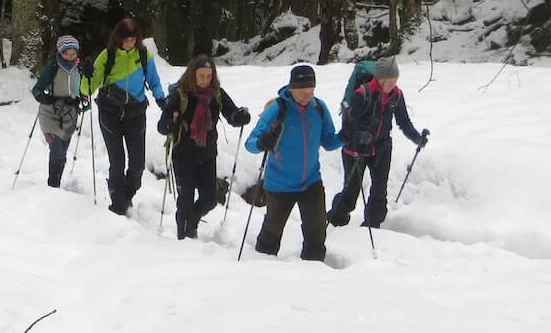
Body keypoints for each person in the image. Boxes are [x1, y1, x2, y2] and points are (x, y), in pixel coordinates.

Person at [243, 64, 341, 261]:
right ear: (292, 88)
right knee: (272, 232)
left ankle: (314, 270)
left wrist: (346, 136)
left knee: (317, 232)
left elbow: (329, 141)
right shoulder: (277, 110)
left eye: (311, 92)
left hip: (311, 182)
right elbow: (250, 144)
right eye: (303, 92)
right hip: (279, 184)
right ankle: (260, 267)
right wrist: (262, 142)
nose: (307, 96)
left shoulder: (319, 108)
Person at [157, 55, 251, 239]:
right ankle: (183, 236)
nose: (205, 80)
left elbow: (231, 114)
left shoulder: (216, 94)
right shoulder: (181, 95)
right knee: (185, 199)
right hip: (183, 154)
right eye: (201, 76)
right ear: (193, 75)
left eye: (209, 76)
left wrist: (240, 117)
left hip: (207, 154)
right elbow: (162, 125)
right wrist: (171, 125)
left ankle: (191, 222)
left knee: (210, 200)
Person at [327, 57, 429, 229]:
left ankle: (372, 225)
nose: (391, 85)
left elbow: (403, 122)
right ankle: (336, 220)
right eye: (388, 81)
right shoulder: (362, 93)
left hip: (381, 148)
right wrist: (361, 135)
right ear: (379, 78)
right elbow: (349, 123)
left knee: (379, 191)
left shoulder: (396, 95)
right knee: (351, 191)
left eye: (394, 81)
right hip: (356, 149)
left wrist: (417, 138)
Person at [83, 18, 167, 215]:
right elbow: (88, 89)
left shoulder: (144, 55)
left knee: (137, 165)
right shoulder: (108, 55)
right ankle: (117, 205)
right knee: (117, 162)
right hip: (110, 112)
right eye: (126, 39)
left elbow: (154, 81)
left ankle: (125, 196)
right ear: (118, 38)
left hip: (136, 113)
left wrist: (161, 98)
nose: (129, 42)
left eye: (133, 38)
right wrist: (86, 76)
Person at [30, 35, 90, 188]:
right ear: (60, 52)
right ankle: (53, 185)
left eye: (73, 53)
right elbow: (37, 89)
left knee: (62, 151)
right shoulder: (52, 67)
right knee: (57, 151)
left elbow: (84, 90)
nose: (70, 56)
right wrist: (42, 97)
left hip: (70, 114)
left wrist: (84, 99)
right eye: (66, 53)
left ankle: (56, 184)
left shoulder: (80, 69)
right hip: (50, 113)